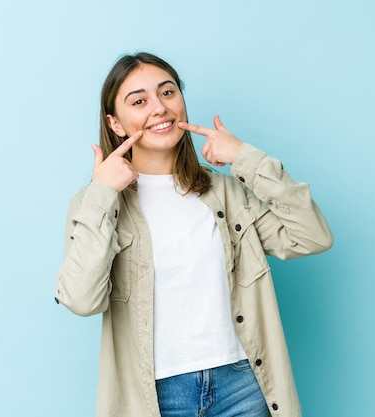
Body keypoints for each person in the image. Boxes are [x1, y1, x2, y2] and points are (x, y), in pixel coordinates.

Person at [55, 52, 333, 417]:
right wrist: (103, 193)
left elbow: (312, 235)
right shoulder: (96, 203)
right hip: (155, 396)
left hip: (243, 387)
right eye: (139, 101)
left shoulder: (225, 193)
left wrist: (244, 157)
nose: (159, 108)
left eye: (167, 93)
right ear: (116, 124)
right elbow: (81, 299)